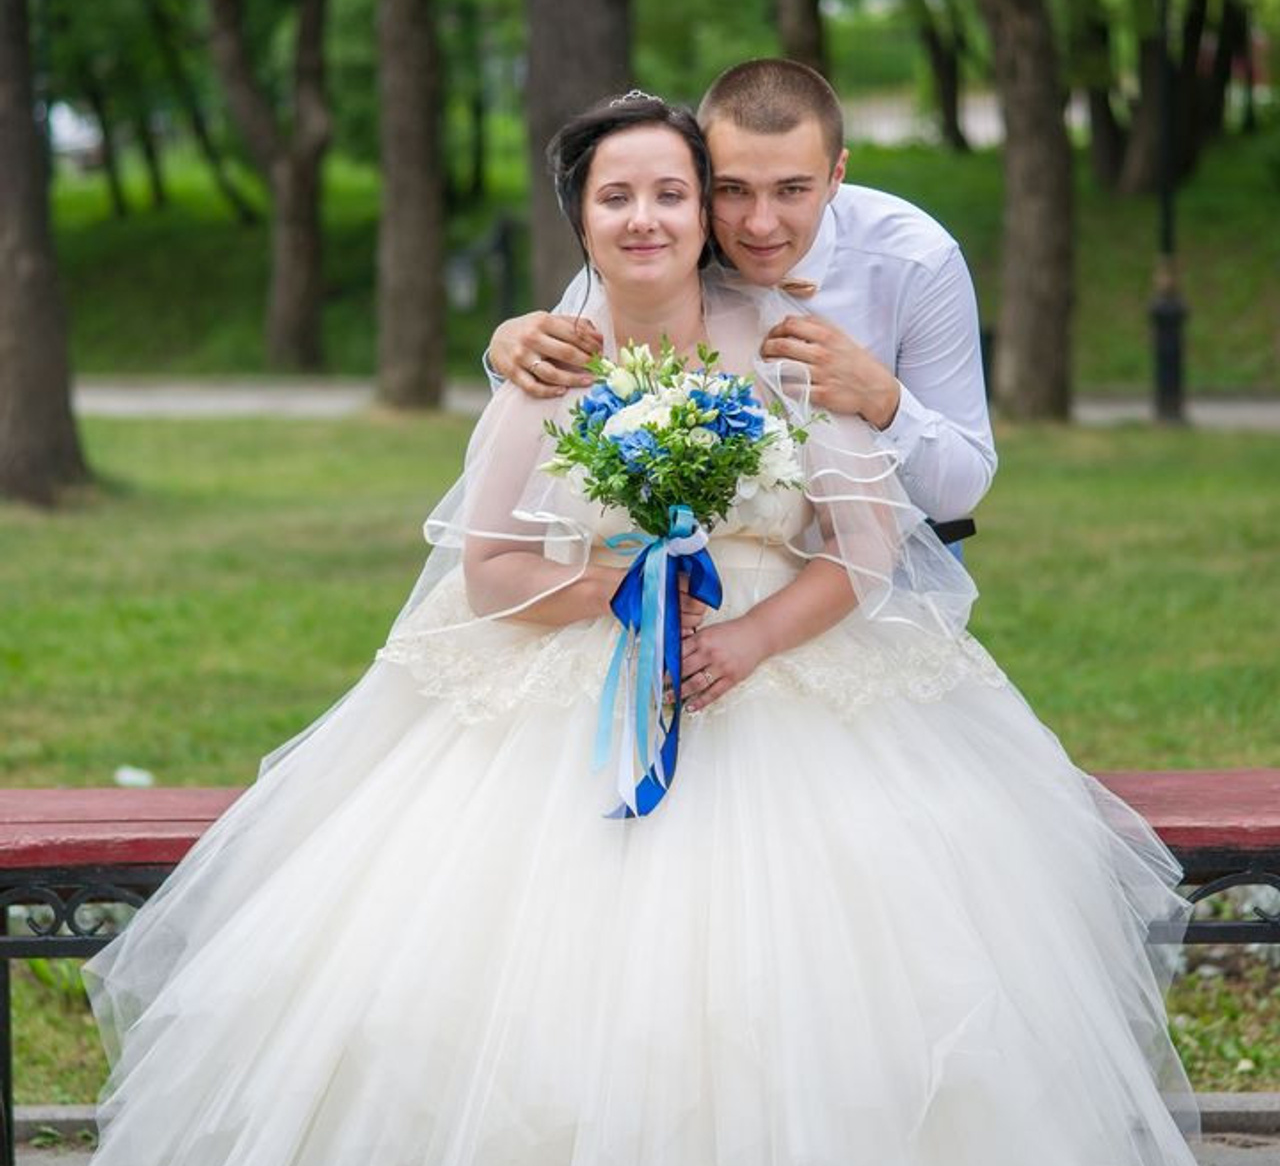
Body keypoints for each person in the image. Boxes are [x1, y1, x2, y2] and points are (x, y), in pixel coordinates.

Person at [82, 94, 1200, 1166]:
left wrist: (754, 639)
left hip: (779, 658)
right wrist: (611, 582)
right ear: (579, 216)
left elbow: (865, 546)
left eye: (673, 192)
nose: (648, 217)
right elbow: (487, 571)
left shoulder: (785, 346)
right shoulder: (548, 363)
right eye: (618, 197)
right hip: (578, 672)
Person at [488, 59, 996, 539]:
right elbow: (562, 396)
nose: (760, 223)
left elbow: (959, 494)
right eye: (733, 189)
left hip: (895, 568)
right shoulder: (665, 248)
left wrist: (881, 399)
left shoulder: (916, 260)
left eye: (792, 190)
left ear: (837, 174)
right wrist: (507, 349)